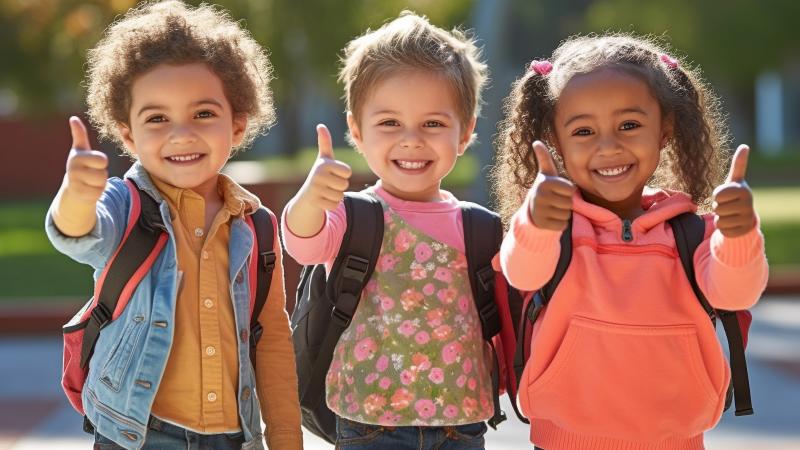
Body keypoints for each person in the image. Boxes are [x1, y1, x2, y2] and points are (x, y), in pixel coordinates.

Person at [491, 33, 769, 450]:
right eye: (583, 130)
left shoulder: (691, 233)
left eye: (629, 125)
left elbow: (737, 291)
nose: (609, 146)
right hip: (564, 442)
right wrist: (535, 222)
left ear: (665, 130)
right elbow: (523, 271)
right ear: (556, 141)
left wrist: (740, 234)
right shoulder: (554, 227)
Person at [45, 1, 301, 449]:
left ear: (237, 125)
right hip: (138, 434)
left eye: (203, 113)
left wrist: (284, 436)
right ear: (128, 135)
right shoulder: (124, 206)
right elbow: (79, 234)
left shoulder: (257, 225)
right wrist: (77, 196)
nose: (181, 134)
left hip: (233, 436)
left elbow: (273, 338)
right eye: (157, 118)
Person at [282, 11, 503, 450]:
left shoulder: (480, 227)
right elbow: (302, 245)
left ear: (465, 133)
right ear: (357, 131)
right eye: (389, 123)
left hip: (462, 422)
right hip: (369, 421)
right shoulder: (356, 216)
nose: (411, 140)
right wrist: (310, 199)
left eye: (433, 124)